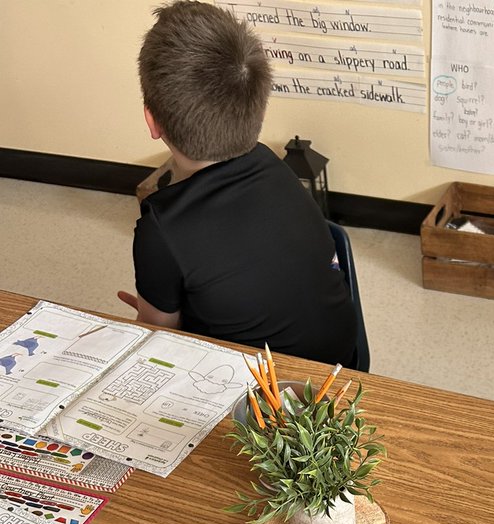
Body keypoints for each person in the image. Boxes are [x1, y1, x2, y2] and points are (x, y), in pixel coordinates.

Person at [118, 1, 357, 364]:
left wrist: (152, 316)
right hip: (345, 367)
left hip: (257, 401)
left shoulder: (161, 228)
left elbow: (158, 337)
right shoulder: (273, 165)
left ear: (153, 122)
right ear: (259, 111)